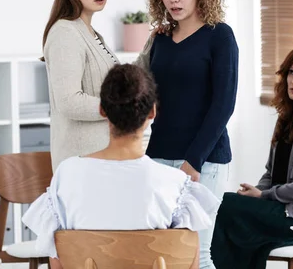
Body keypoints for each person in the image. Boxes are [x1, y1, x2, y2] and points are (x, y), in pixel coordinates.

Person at [23, 64, 220, 269]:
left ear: (101, 110)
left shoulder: (66, 175)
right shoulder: (176, 185)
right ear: (152, 112)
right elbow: (189, 263)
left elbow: (58, 263)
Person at [135, 0, 238, 269]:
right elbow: (145, 93)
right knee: (161, 254)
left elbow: (224, 105)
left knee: (197, 254)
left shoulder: (220, 35)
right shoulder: (160, 39)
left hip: (204, 162)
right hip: (158, 158)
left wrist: (194, 161)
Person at [210, 46, 293, 269]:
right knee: (226, 204)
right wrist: (256, 194)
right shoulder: (287, 117)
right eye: (291, 72)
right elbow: (271, 173)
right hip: (279, 209)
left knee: (224, 205)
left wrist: (264, 195)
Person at [42, 0, 119, 170]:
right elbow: (69, 101)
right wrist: (119, 109)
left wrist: (152, 44)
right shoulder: (65, 32)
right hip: (82, 163)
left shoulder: (90, 33)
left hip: (101, 159)